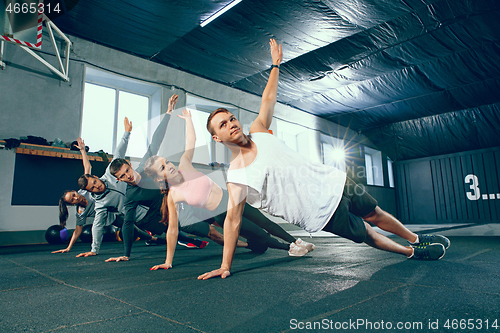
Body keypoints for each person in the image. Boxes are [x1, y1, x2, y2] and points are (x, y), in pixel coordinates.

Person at [199, 39, 451, 280]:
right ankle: (413, 253)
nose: (231, 124)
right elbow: (232, 221)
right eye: (223, 124)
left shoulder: (259, 130)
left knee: (375, 213)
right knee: (367, 233)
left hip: (333, 181)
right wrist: (224, 265)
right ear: (217, 138)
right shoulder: (236, 176)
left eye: (231, 118)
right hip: (319, 212)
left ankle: (416, 239)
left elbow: (268, 99)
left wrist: (275, 65)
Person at [141, 109, 315, 270]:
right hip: (221, 213)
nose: (169, 166)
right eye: (162, 168)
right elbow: (172, 229)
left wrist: (188, 120)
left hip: (231, 197)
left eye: (167, 162)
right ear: (158, 178)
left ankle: (297, 241)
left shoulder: (185, 165)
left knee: (266, 222)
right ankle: (290, 248)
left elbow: (191, 141)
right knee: (260, 235)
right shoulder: (173, 196)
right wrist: (168, 261)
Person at [75, 95, 201, 258]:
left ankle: (196, 234)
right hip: (144, 218)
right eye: (92, 188)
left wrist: (167, 113)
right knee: (170, 231)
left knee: (185, 223)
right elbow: (97, 227)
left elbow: (151, 144)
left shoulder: (112, 171)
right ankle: (174, 238)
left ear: (95, 177)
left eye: (95, 182)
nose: (96, 186)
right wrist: (94, 249)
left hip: (156, 204)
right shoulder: (101, 204)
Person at [53, 138, 164, 254]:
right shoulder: (81, 212)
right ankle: (153, 239)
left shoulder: (84, 190)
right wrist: (69, 248)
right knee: (133, 229)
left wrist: (82, 151)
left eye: (74, 194)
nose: (76, 198)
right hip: (113, 218)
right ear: (72, 204)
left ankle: (157, 232)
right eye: (72, 199)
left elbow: (87, 169)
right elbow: (79, 230)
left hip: (119, 205)